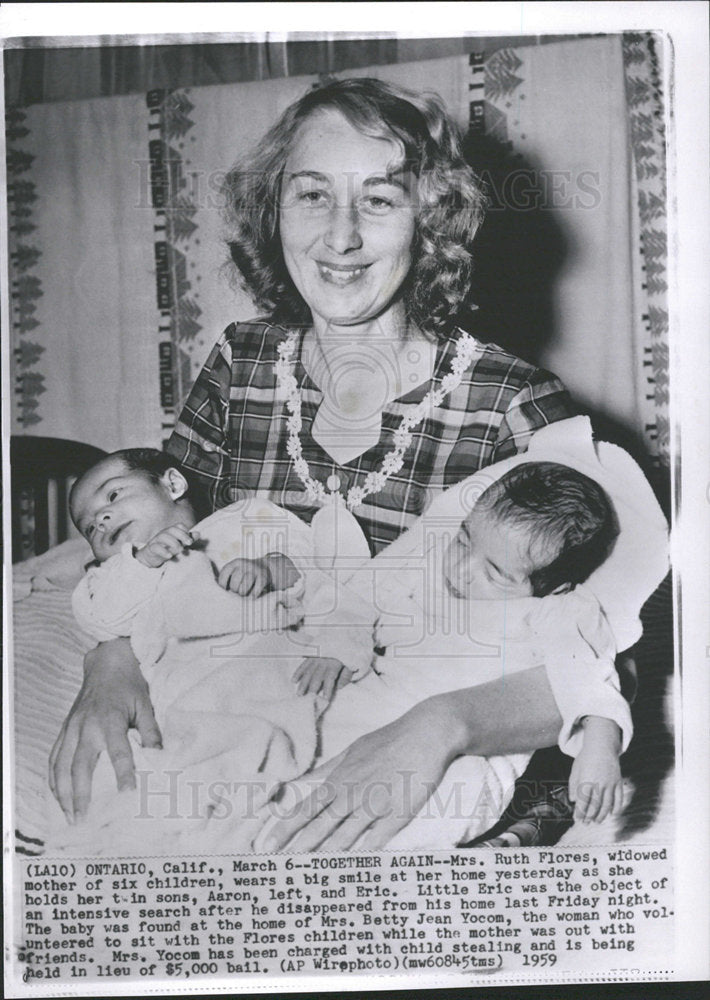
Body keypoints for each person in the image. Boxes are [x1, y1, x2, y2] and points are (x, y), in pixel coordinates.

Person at [50, 76, 630, 847]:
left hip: (400, 740)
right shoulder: (239, 361)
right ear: (275, 209)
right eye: (312, 196)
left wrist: (442, 727)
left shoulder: (513, 402)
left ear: (431, 223)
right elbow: (161, 541)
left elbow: (589, 647)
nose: (340, 236)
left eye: (381, 200)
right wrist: (111, 662)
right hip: (227, 719)